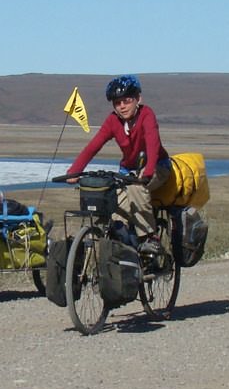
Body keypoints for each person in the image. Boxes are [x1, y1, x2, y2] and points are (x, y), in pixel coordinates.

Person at [66, 75, 171, 254]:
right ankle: (126, 250)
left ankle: (149, 238)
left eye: (126, 101)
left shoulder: (147, 115)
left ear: (138, 99)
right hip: (128, 170)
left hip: (157, 167)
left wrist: (148, 172)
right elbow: (94, 146)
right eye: (117, 102)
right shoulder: (113, 121)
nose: (122, 106)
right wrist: (74, 171)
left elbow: (153, 144)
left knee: (135, 190)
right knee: (112, 203)